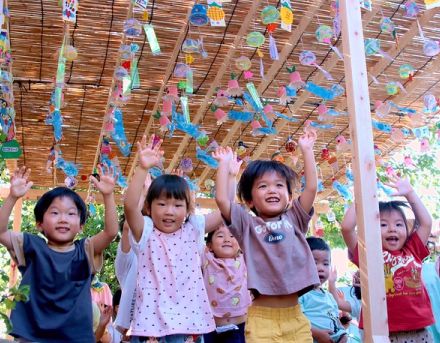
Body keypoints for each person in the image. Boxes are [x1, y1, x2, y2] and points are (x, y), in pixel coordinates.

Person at [213, 129, 320, 342]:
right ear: (250, 201)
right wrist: (223, 165)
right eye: (263, 186)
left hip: (295, 316)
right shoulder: (246, 225)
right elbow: (223, 201)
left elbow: (311, 188)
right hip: (262, 319)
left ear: (289, 197)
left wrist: (307, 150)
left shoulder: (295, 218)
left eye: (279, 185)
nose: (272, 190)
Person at [0, 166, 118, 342]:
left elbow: (110, 232)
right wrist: (12, 197)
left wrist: (108, 195)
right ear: (39, 223)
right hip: (33, 337)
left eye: (71, 214)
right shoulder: (31, 247)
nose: (63, 218)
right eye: (55, 213)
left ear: (81, 225)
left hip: (75, 337)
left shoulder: (85, 250)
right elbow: (1, 232)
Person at [124, 135, 224, 342]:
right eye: (161, 204)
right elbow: (130, 207)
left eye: (177, 205)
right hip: (150, 324)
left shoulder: (193, 228)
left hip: (186, 322)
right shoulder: (146, 230)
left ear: (188, 209)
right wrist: (142, 169)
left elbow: (225, 209)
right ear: (149, 207)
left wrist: (226, 172)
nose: (169, 211)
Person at [341, 176, 434, 342]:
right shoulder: (369, 254)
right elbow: (347, 228)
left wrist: (410, 194)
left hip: (418, 329)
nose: (392, 229)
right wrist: (360, 198)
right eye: (383, 224)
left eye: (399, 224)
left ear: (407, 229)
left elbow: (426, 223)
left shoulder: (413, 250)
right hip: (382, 333)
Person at [202, 224, 251, 343]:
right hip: (210, 327)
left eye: (232, 235)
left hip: (239, 326)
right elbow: (194, 233)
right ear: (209, 246)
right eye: (220, 235)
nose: (227, 239)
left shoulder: (245, 259)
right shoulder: (206, 258)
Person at [299, 237, 348, 343]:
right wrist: (317, 334)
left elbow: (336, 320)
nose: (321, 268)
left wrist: (343, 335)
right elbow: (296, 321)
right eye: (315, 262)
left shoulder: (329, 296)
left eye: (325, 264)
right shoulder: (300, 294)